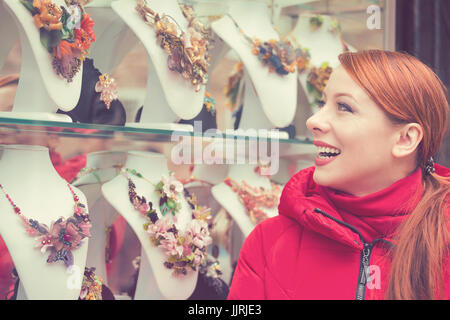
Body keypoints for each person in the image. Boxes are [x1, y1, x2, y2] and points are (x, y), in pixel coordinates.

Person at [227, 50, 450, 300]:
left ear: (405, 139)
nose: (313, 121)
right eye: (323, 104)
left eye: (344, 107)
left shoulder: (442, 241)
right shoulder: (269, 242)